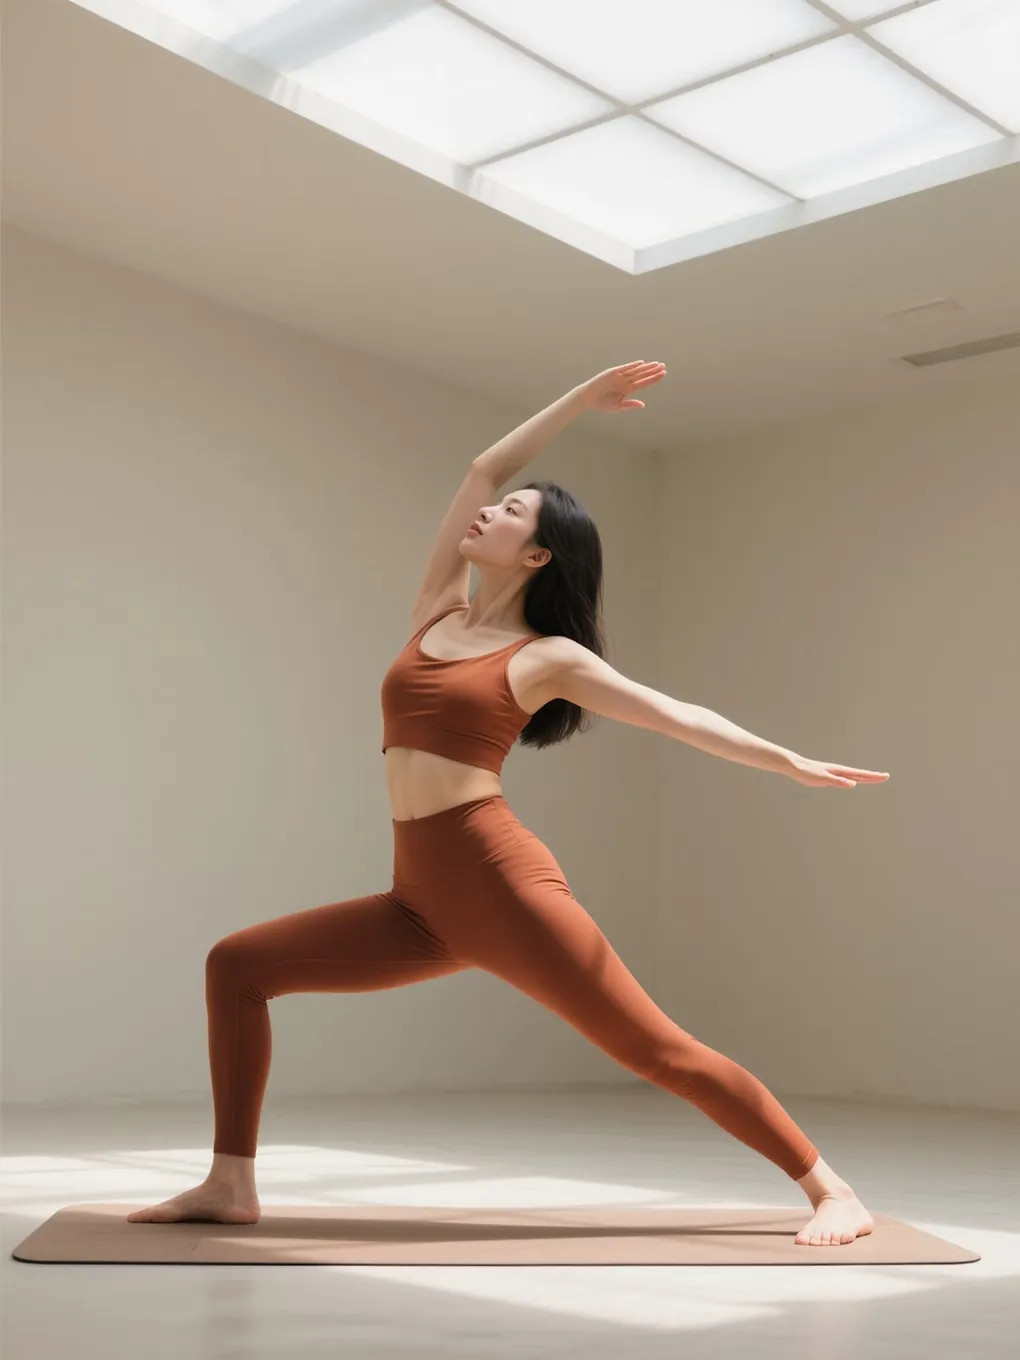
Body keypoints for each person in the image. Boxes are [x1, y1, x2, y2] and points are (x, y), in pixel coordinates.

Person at [129, 361, 887, 1246]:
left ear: (537, 555)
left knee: (658, 1051)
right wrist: (580, 399)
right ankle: (230, 1183)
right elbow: (483, 468)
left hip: (502, 888)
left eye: (516, 514)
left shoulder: (548, 656)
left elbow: (674, 714)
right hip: (418, 902)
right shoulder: (433, 613)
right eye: (501, 506)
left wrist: (786, 759)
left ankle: (832, 1189)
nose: (488, 512)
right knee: (238, 966)